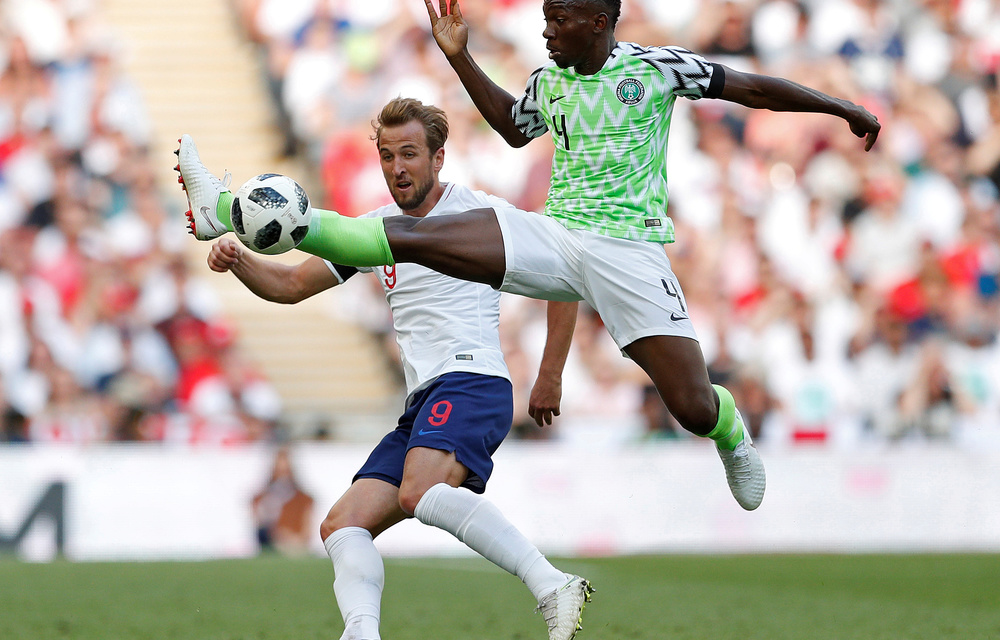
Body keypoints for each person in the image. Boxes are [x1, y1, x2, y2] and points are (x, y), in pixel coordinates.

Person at [179, 0, 882, 512]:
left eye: (558, 16)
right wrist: (459, 58)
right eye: (544, 14)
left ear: (598, 20)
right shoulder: (551, 84)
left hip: (630, 254)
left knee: (692, 407)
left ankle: (730, 429)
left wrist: (840, 107)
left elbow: (752, 89)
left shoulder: (658, 69)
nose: (545, 27)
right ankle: (231, 213)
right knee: (406, 235)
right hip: (553, 237)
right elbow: (516, 131)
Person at [178, 97, 592, 640]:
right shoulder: (374, 230)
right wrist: (239, 260)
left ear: (439, 158)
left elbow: (566, 273)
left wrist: (551, 372)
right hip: (424, 399)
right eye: (388, 156)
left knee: (417, 492)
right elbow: (290, 286)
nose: (398, 168)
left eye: (410, 154)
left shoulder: (483, 215)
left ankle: (551, 584)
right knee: (341, 525)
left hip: (473, 379)